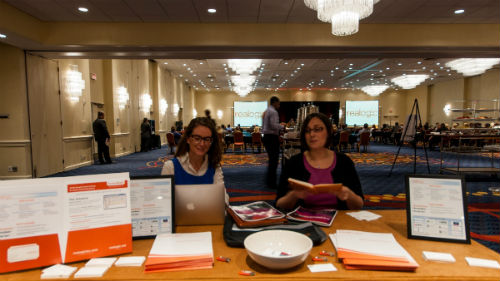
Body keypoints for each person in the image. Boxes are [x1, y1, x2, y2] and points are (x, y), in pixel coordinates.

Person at [276, 112, 364, 210]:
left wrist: (348, 194)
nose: (312, 134)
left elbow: (359, 205)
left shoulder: (344, 162)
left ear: (328, 132)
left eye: (318, 129)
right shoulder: (294, 163)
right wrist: (293, 195)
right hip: (303, 222)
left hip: (339, 222)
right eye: (307, 131)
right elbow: (279, 204)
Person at [161, 117, 228, 203]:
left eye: (207, 139)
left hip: (208, 215)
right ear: (188, 139)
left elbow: (223, 199)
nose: (202, 144)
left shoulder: (214, 166)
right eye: (197, 138)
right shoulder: (170, 167)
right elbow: (164, 204)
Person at [262, 96, 284, 189]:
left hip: (267, 137)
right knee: (274, 161)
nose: (279, 105)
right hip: (271, 138)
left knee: (272, 160)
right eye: (278, 103)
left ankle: (270, 181)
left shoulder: (267, 110)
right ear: (274, 103)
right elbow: (273, 125)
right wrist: (282, 126)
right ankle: (272, 183)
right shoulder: (273, 112)